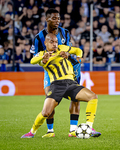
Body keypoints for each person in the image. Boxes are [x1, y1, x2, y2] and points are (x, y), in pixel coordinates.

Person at [30, 8, 100, 138]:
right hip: (51, 70)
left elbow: (71, 50)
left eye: (58, 18)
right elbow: (34, 57)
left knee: (76, 98)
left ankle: (73, 130)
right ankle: (50, 131)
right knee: (49, 98)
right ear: (47, 19)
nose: (57, 21)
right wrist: (43, 59)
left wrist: (70, 55)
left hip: (69, 68)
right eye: (54, 18)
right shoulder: (38, 37)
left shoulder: (65, 33)